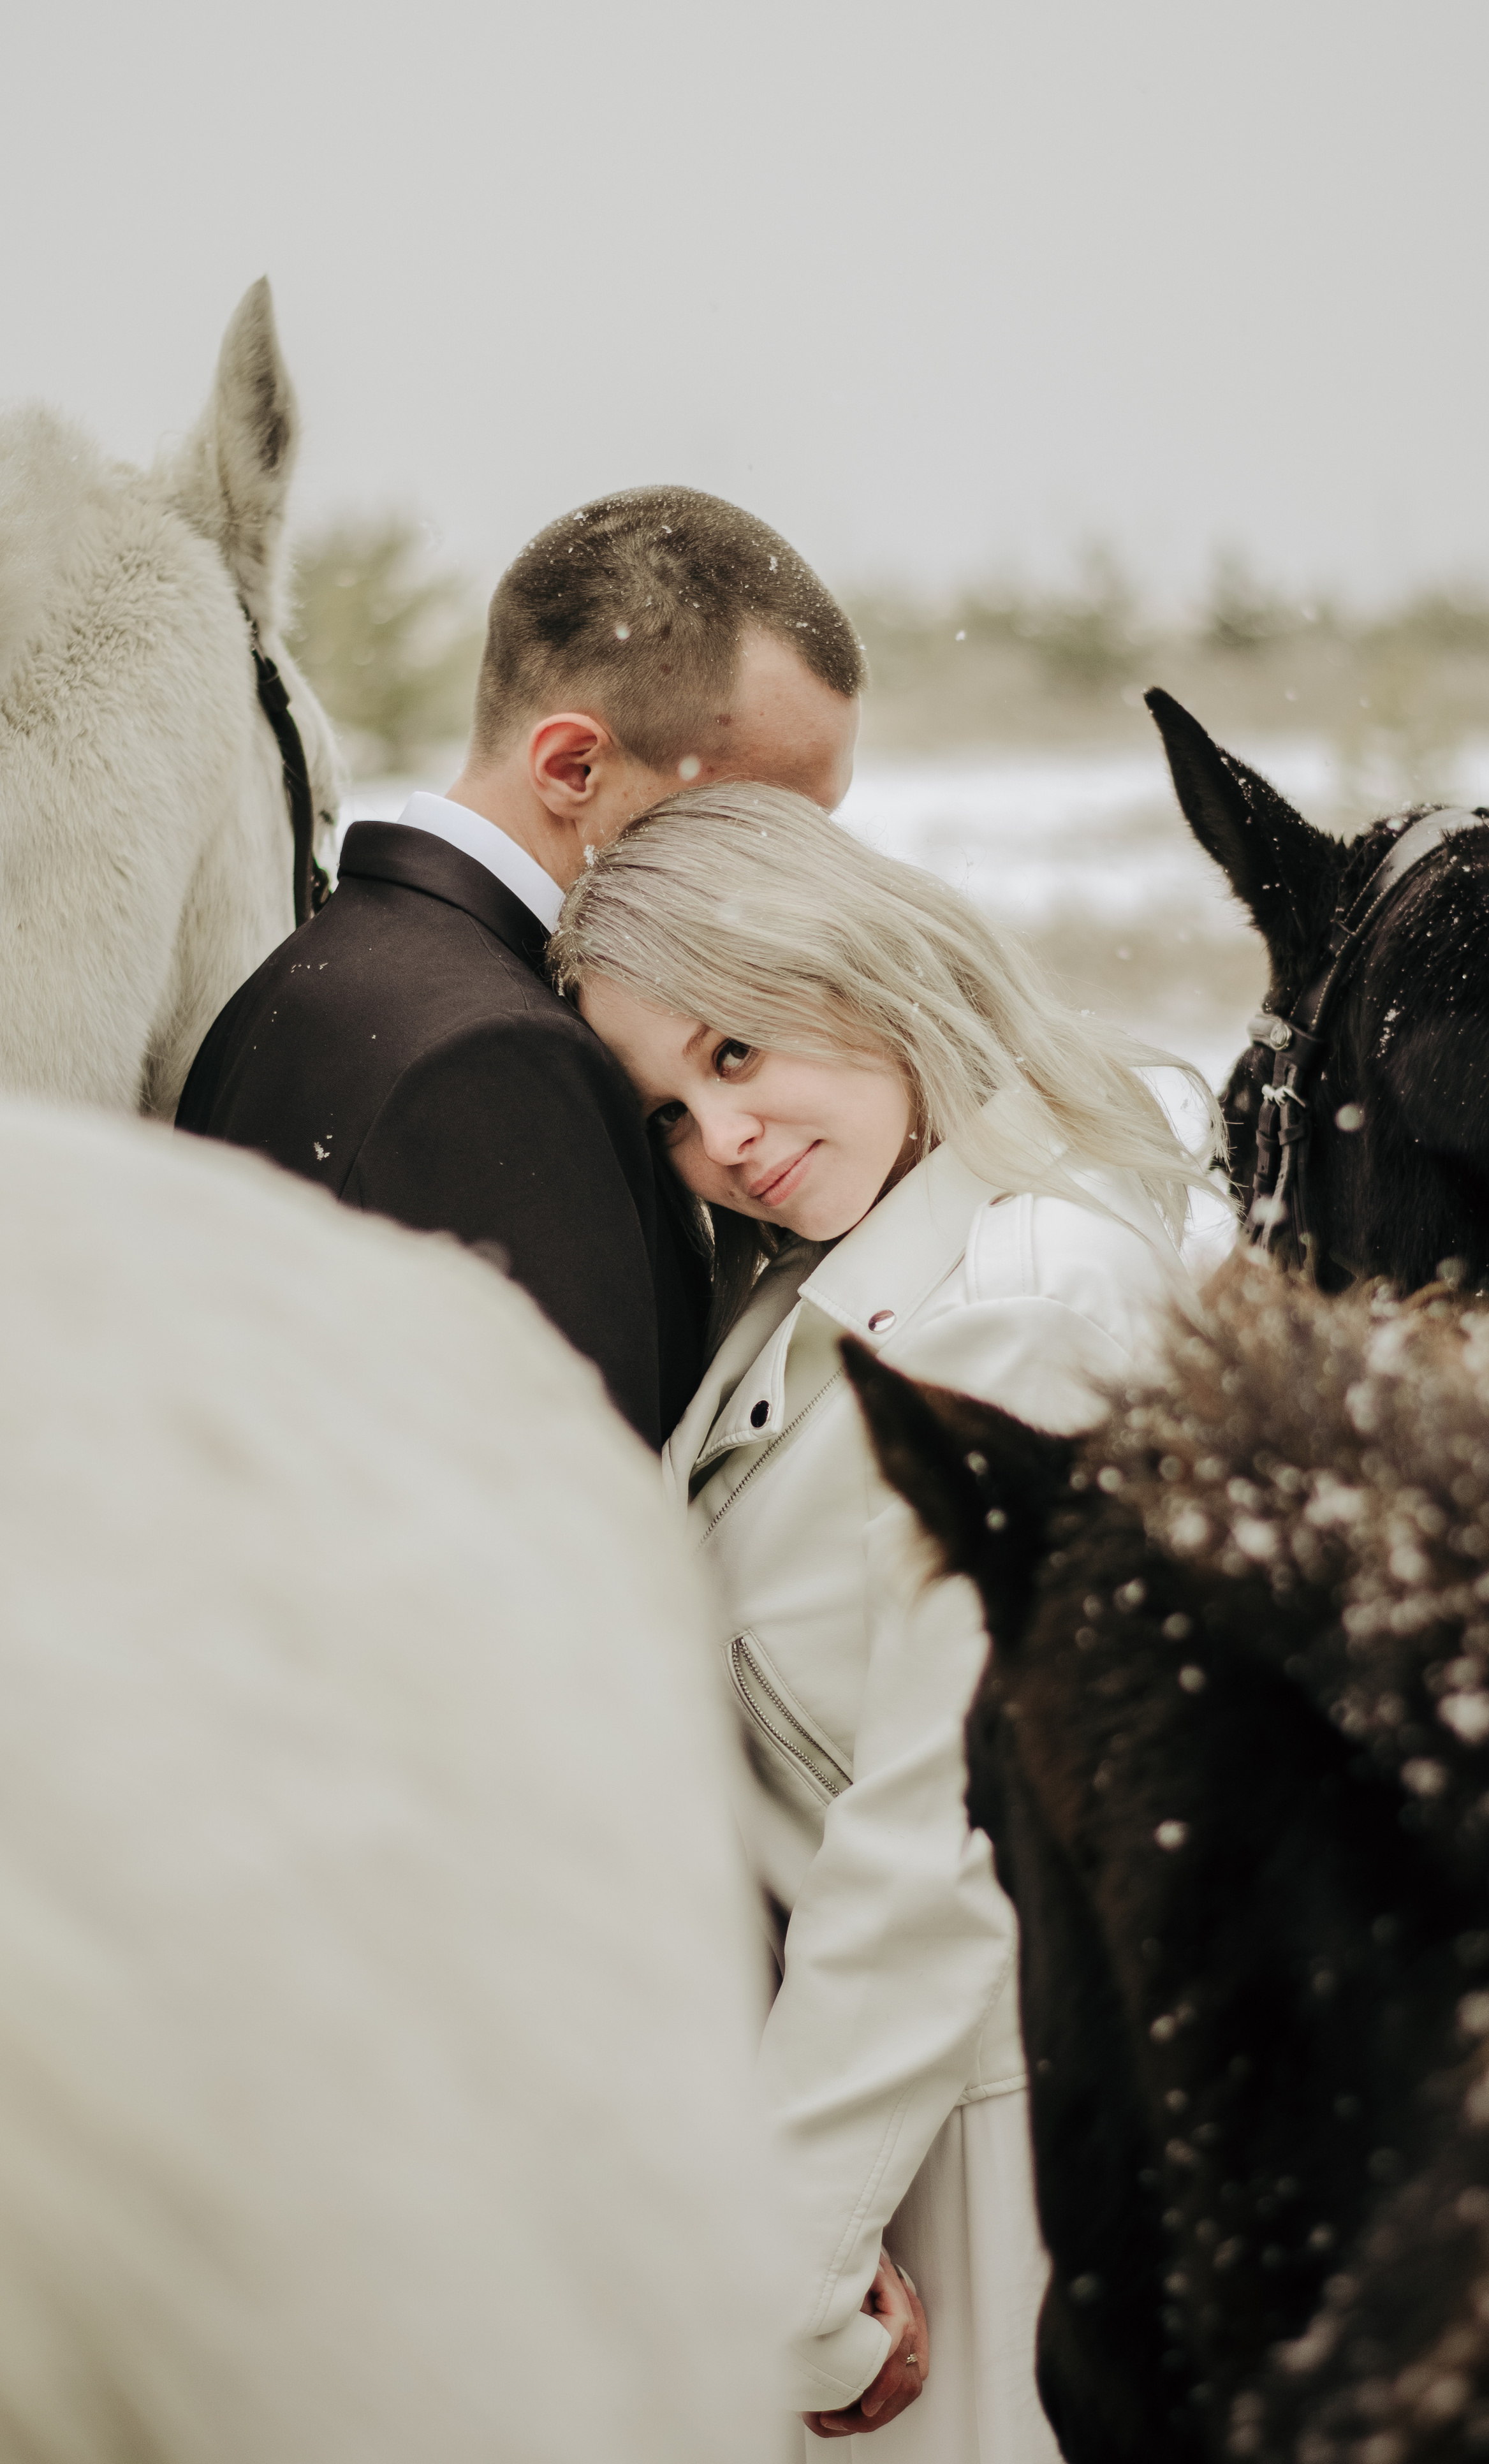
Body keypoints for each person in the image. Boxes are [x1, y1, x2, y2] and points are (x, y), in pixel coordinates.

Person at [550, 786, 1219, 2458]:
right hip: (884, 2116)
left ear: (846, 968)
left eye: (735, 1049)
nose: (728, 1141)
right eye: (672, 1115)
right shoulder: (830, 1271)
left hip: (983, 2143)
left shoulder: (1030, 1304)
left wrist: (787, 2260)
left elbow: (947, 1834)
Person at [175, 488, 863, 1446]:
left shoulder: (306, 981)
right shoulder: (495, 1064)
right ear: (575, 768)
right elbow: (576, 1553)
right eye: (761, 823)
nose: (803, 881)